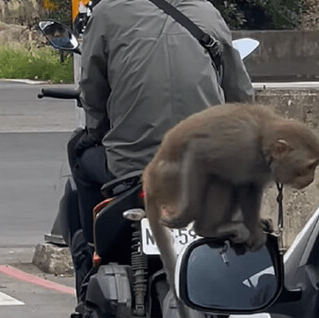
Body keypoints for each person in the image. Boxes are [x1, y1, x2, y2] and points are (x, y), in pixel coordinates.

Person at [68, 0, 254, 296]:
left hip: (131, 165)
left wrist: (98, 131)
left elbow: (93, 90)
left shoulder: (107, 13)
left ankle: (92, 253)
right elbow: (241, 95)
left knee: (79, 153)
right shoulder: (206, 12)